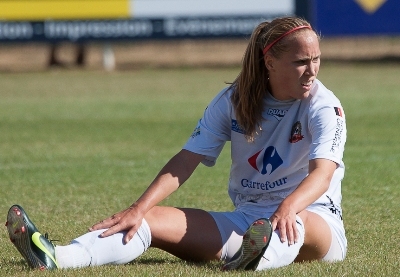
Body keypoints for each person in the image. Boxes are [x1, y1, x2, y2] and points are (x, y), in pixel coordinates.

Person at [6, 16, 347, 271]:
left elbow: (322, 174)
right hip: (248, 222)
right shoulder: (233, 100)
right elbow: (186, 161)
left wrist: (286, 208)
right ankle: (57, 256)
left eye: (316, 59)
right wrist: (138, 208)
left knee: (293, 225)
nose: (312, 70)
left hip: (313, 219)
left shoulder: (323, 105)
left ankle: (250, 261)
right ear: (269, 62)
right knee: (145, 222)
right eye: (301, 61)